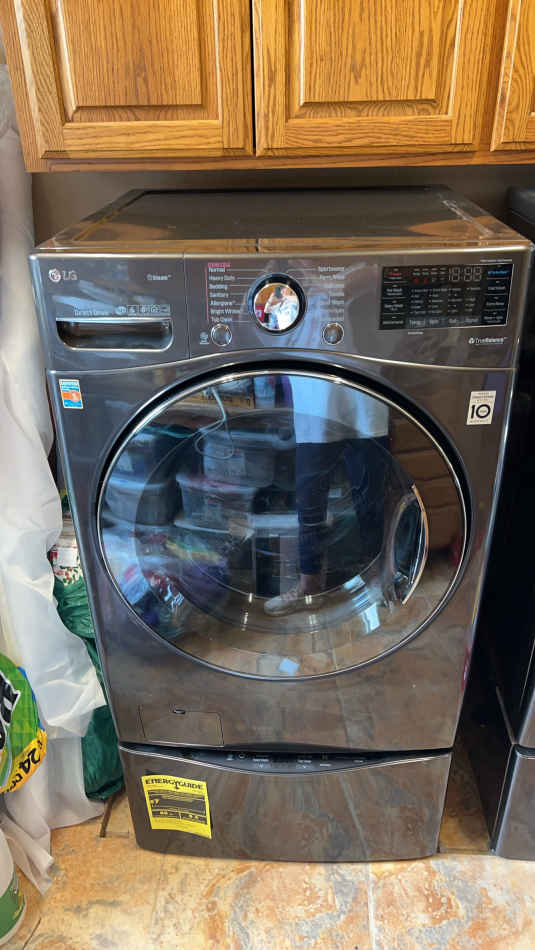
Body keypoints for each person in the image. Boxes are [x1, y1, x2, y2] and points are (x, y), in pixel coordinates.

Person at [264, 376, 390, 615]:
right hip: (315, 400)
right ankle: (309, 587)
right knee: (309, 505)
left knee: (371, 501)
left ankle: (374, 576)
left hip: (367, 396)